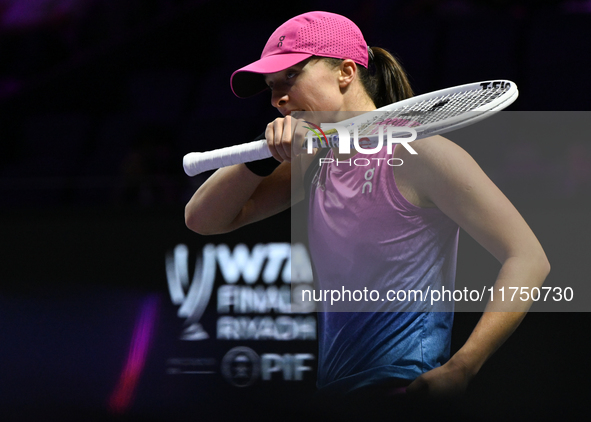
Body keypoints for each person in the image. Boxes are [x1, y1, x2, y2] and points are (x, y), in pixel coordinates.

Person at [185, 11, 549, 417]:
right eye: (271, 87)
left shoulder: (418, 152)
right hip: (336, 396)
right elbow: (203, 219)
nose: (276, 99)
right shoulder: (315, 162)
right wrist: (261, 155)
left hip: (402, 391)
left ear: (344, 72)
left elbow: (528, 257)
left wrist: (464, 365)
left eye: (290, 76)